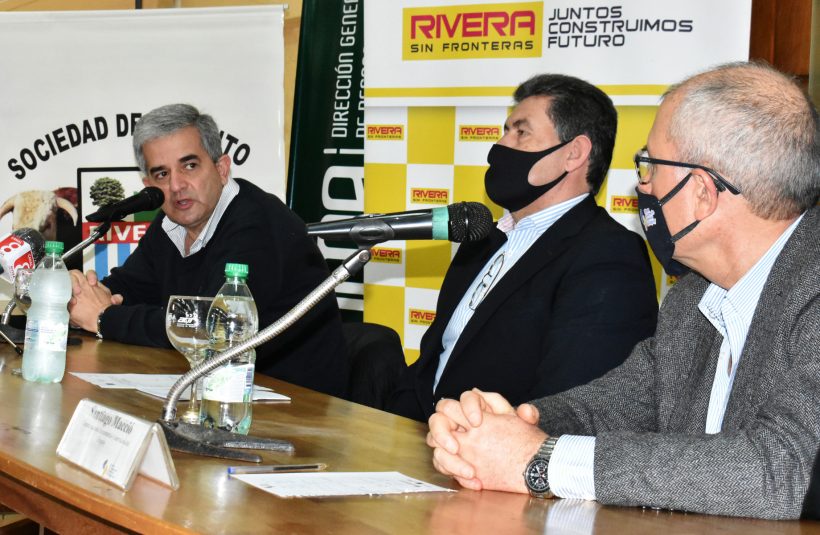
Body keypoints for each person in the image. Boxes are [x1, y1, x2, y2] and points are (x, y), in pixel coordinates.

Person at [426, 62, 820, 520]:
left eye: (650, 164)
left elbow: (787, 470)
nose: (641, 184)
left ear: (701, 192)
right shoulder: (692, 300)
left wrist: (542, 462)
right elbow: (608, 408)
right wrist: (500, 428)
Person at [386, 74, 658, 422]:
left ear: (573, 153)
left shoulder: (608, 256)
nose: (499, 145)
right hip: (420, 434)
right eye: (505, 130)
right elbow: (433, 361)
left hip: (494, 450)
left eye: (520, 132)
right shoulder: (483, 237)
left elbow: (571, 405)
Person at [68, 104, 347, 397]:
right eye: (162, 174)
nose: (176, 185)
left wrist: (105, 318)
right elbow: (128, 289)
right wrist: (79, 293)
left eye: (189, 166)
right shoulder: (171, 225)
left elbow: (212, 326)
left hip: (295, 400)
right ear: (148, 186)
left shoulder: (257, 223)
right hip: (215, 390)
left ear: (221, 169)